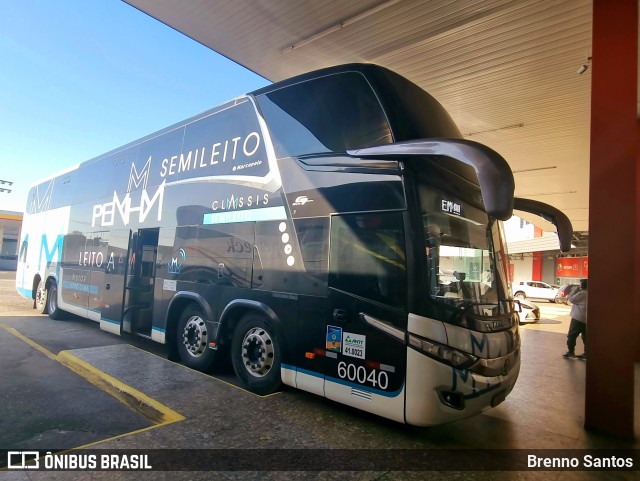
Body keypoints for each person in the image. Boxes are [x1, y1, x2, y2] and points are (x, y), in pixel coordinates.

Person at [563, 279, 588, 359]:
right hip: (586, 319)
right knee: (585, 336)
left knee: (572, 335)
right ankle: (586, 354)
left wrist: (573, 291)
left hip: (578, 318)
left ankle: (571, 352)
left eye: (580, 285)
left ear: (582, 285)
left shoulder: (582, 293)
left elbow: (571, 299)